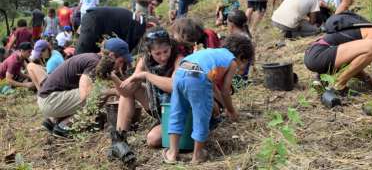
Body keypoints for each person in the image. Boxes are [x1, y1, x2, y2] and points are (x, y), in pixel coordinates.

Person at [163, 34, 254, 164]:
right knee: (201, 116)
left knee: (177, 112)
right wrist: (232, 111)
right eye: (245, 63)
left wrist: (224, 106)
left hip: (181, 72)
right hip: (198, 76)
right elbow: (225, 90)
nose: (242, 67)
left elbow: (213, 88)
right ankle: (197, 154)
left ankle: (172, 153)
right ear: (241, 57)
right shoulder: (232, 61)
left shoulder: (212, 52)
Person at [108, 28, 182, 164]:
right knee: (132, 89)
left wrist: (147, 75)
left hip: (176, 111)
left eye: (166, 51)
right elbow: (126, 92)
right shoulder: (144, 60)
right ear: (149, 52)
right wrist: (113, 77)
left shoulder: (178, 58)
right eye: (157, 53)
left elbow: (173, 86)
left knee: (153, 140)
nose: (163, 57)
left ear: (170, 47)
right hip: (159, 107)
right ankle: (119, 141)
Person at [36, 38, 131, 137]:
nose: (121, 65)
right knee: (98, 95)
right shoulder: (94, 63)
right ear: (112, 55)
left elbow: (121, 87)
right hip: (50, 100)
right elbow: (85, 95)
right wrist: (112, 92)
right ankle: (64, 126)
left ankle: (53, 121)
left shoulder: (96, 60)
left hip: (49, 99)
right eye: (121, 61)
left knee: (99, 92)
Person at [304, 12, 372, 91]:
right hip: (319, 54)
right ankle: (339, 85)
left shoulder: (368, 28)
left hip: (315, 53)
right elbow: (360, 60)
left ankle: (321, 78)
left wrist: (369, 79)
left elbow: (353, 63)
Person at [76, 7, 146, 54]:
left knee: (93, 51)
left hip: (96, 19)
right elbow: (126, 49)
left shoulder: (137, 21)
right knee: (83, 53)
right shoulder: (140, 26)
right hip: (94, 20)